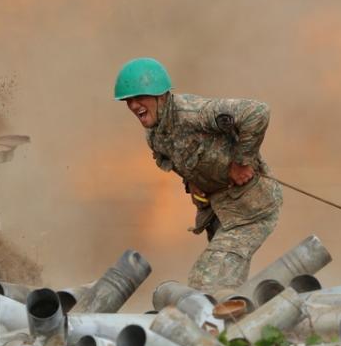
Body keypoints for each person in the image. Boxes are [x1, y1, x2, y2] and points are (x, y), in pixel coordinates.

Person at [114, 57, 282, 293]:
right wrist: (193, 183)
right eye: (128, 101)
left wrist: (241, 162)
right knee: (226, 286)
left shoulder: (194, 113)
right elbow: (182, 161)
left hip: (251, 209)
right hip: (220, 214)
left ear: (161, 96)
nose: (133, 106)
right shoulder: (155, 136)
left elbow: (257, 112)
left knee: (208, 283)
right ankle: (242, 323)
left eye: (139, 98)